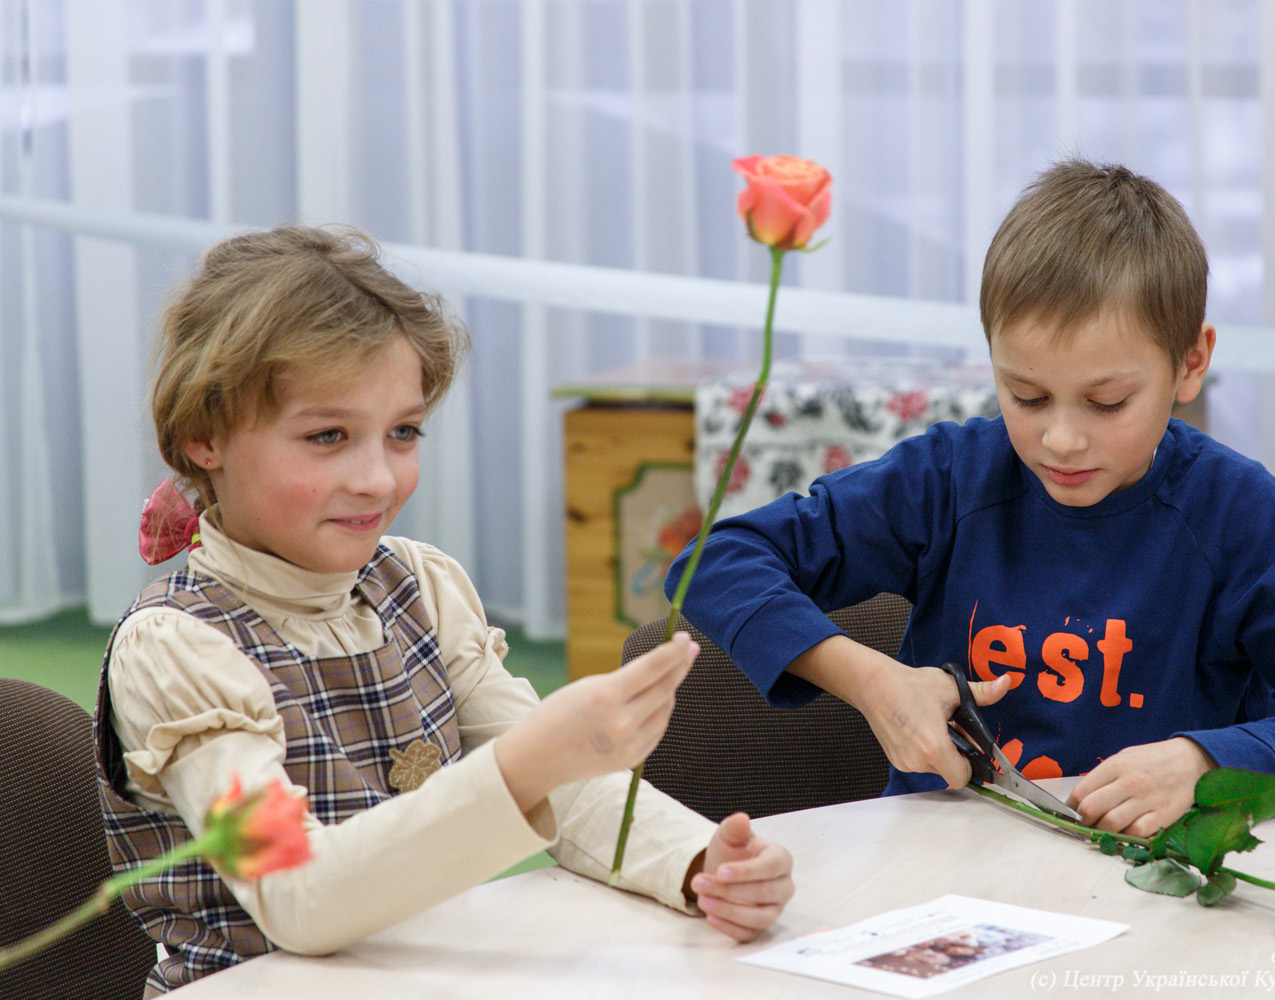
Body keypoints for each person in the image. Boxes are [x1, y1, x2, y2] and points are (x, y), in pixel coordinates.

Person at [95, 225, 794, 996]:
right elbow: (297, 897)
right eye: (327, 436)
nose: (377, 478)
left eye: (402, 432)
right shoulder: (175, 648)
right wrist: (527, 763)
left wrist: (700, 862)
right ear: (203, 439)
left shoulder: (419, 585)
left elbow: (572, 794)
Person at [667, 159, 1275, 839]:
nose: (1061, 440)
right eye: (1026, 396)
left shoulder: (1239, 514)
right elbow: (716, 561)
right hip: (942, 878)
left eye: (1107, 403)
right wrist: (871, 681)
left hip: (1143, 884)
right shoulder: (949, 479)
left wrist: (1202, 763)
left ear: (1191, 363)